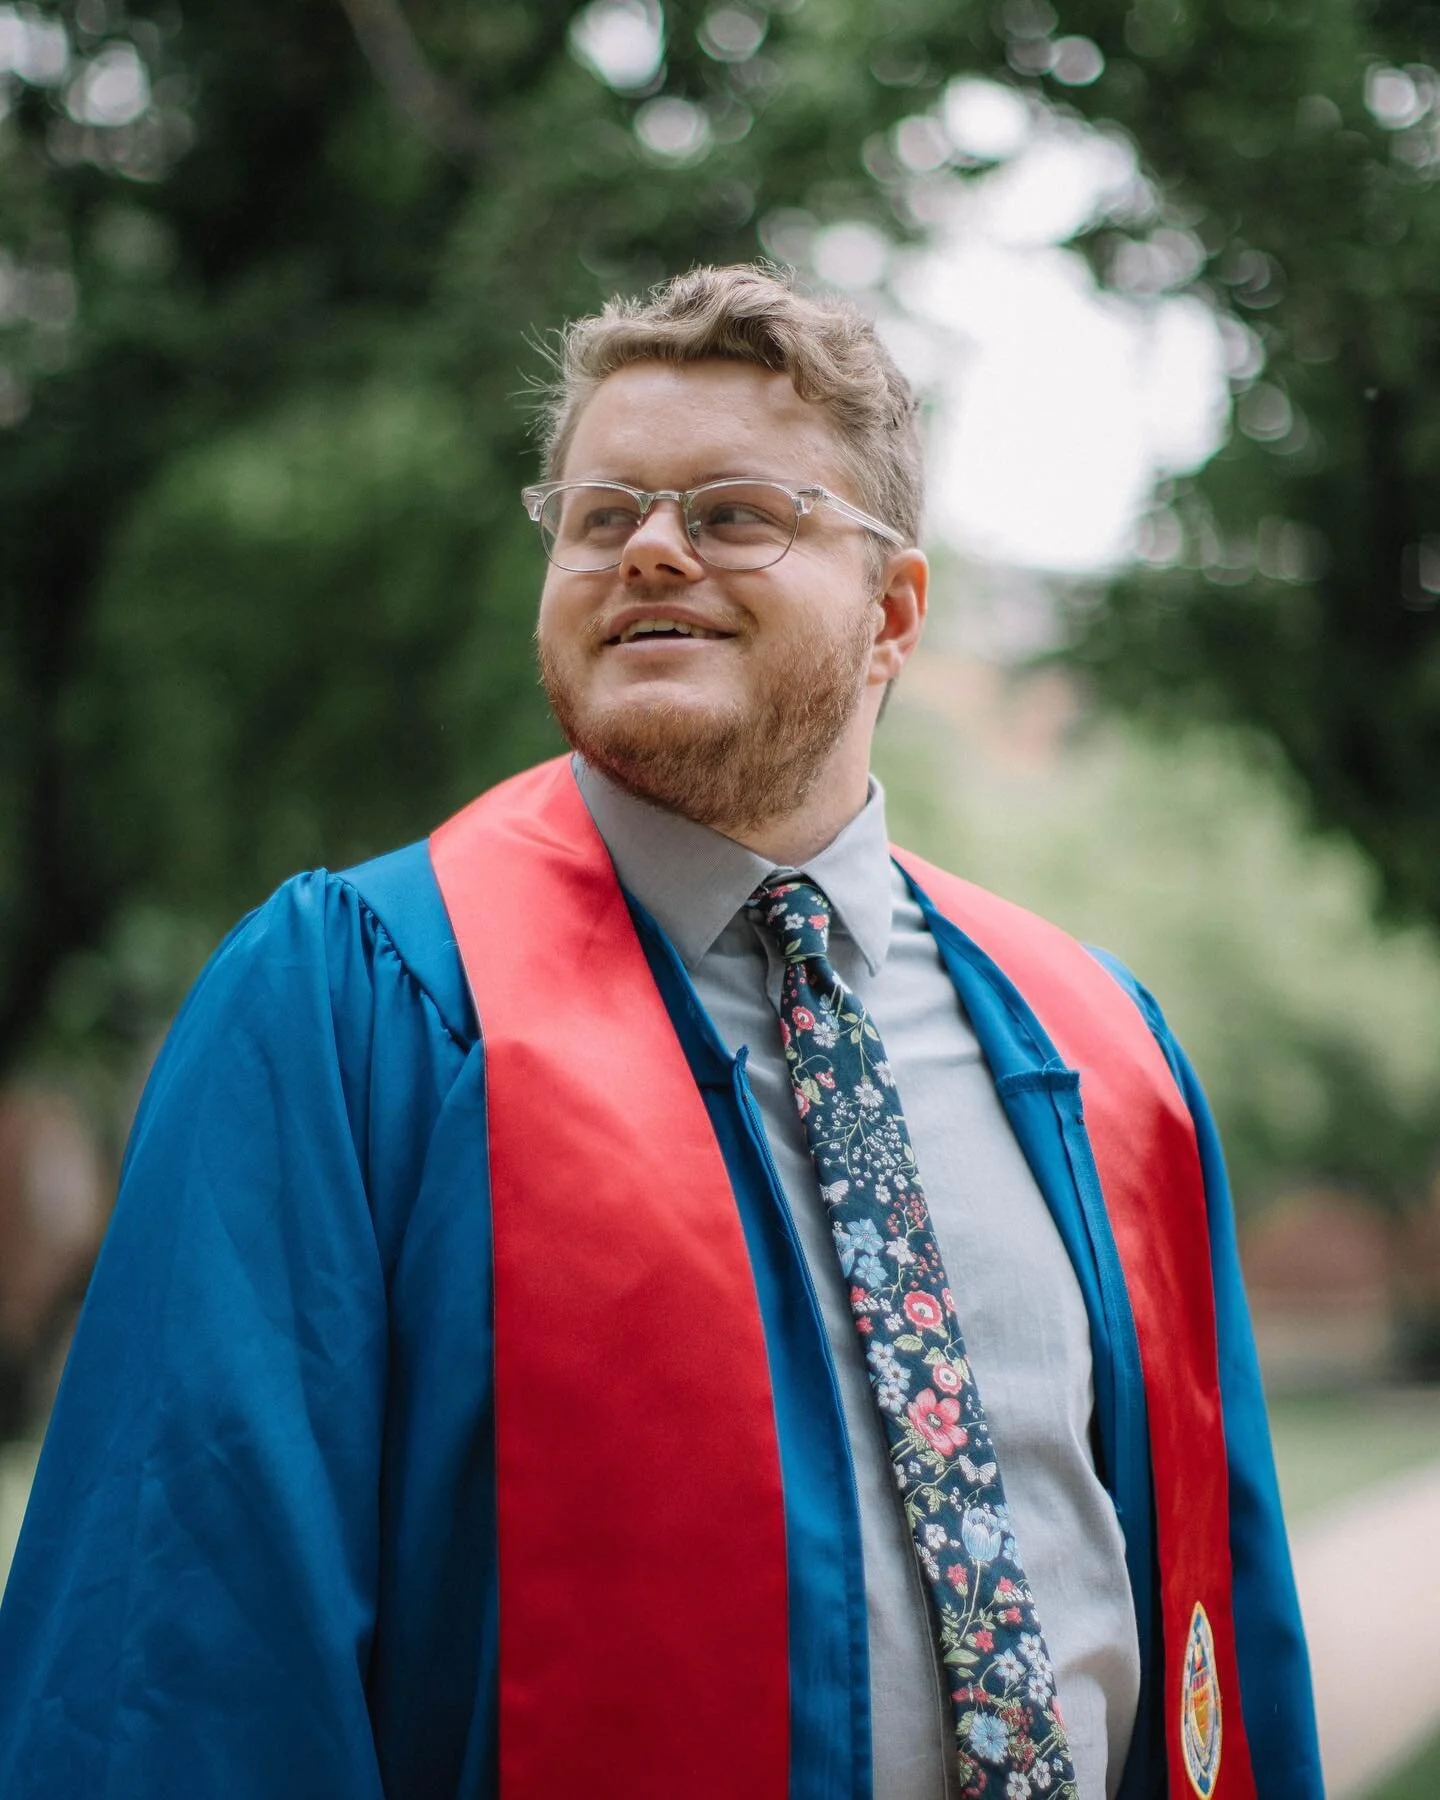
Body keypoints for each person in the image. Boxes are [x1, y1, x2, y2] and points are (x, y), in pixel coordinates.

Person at [0, 264, 1320, 1800]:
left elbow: (1220, 1624)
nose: (651, 550)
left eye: (736, 511)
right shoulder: (355, 1002)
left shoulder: (1101, 1055)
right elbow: (189, 1646)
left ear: (894, 612)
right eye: (600, 512)